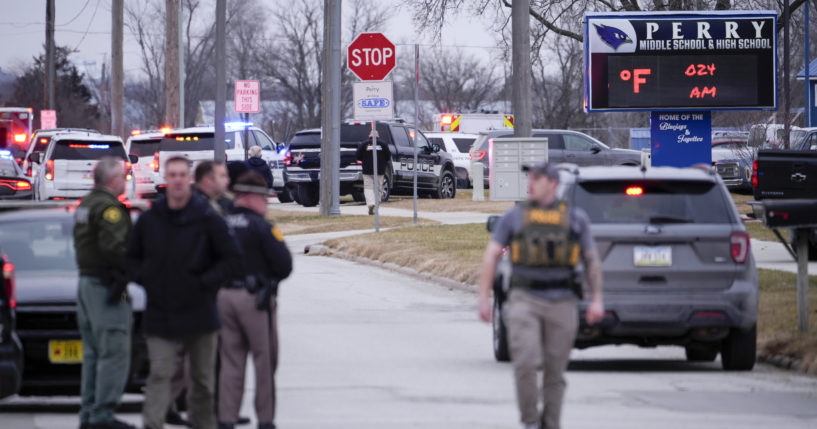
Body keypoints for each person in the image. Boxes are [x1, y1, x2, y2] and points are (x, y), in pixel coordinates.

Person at [477, 161, 605, 429]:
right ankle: (530, 421)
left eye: (537, 178)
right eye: (529, 178)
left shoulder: (574, 218)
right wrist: (484, 297)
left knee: (554, 372)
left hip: (563, 301)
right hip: (525, 298)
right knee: (525, 363)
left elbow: (592, 260)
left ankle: (550, 423)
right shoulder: (515, 216)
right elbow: (491, 256)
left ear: (553, 184)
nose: (530, 183)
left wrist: (596, 299)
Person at [128, 156, 241, 429]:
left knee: (202, 382)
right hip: (161, 312)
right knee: (160, 377)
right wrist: (148, 280)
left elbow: (232, 259)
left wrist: (206, 281)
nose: (178, 179)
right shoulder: (150, 219)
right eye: (173, 174)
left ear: (189, 179)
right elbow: (131, 258)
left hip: (200, 312)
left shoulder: (206, 217)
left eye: (182, 174)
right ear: (166, 179)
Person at [218, 172, 293, 429]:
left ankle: (226, 418)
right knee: (265, 361)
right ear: (251, 197)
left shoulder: (222, 222)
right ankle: (265, 420)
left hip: (223, 298)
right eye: (264, 198)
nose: (267, 204)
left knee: (230, 361)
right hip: (255, 300)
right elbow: (284, 264)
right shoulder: (262, 226)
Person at [74, 157, 134, 429]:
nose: (125, 180)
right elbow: (115, 247)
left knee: (93, 354)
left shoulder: (86, 205)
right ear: (112, 180)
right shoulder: (109, 209)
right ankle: (102, 415)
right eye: (123, 176)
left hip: (87, 283)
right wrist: (133, 266)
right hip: (105, 286)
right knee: (113, 350)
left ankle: (89, 412)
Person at [355, 129, 390, 215]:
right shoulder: (383, 144)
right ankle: (376, 207)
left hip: (367, 170)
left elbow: (358, 156)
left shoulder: (364, 144)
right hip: (380, 170)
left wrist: (365, 158)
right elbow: (388, 157)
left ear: (369, 136)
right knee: (378, 188)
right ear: (378, 136)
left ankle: (371, 203)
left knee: (368, 188)